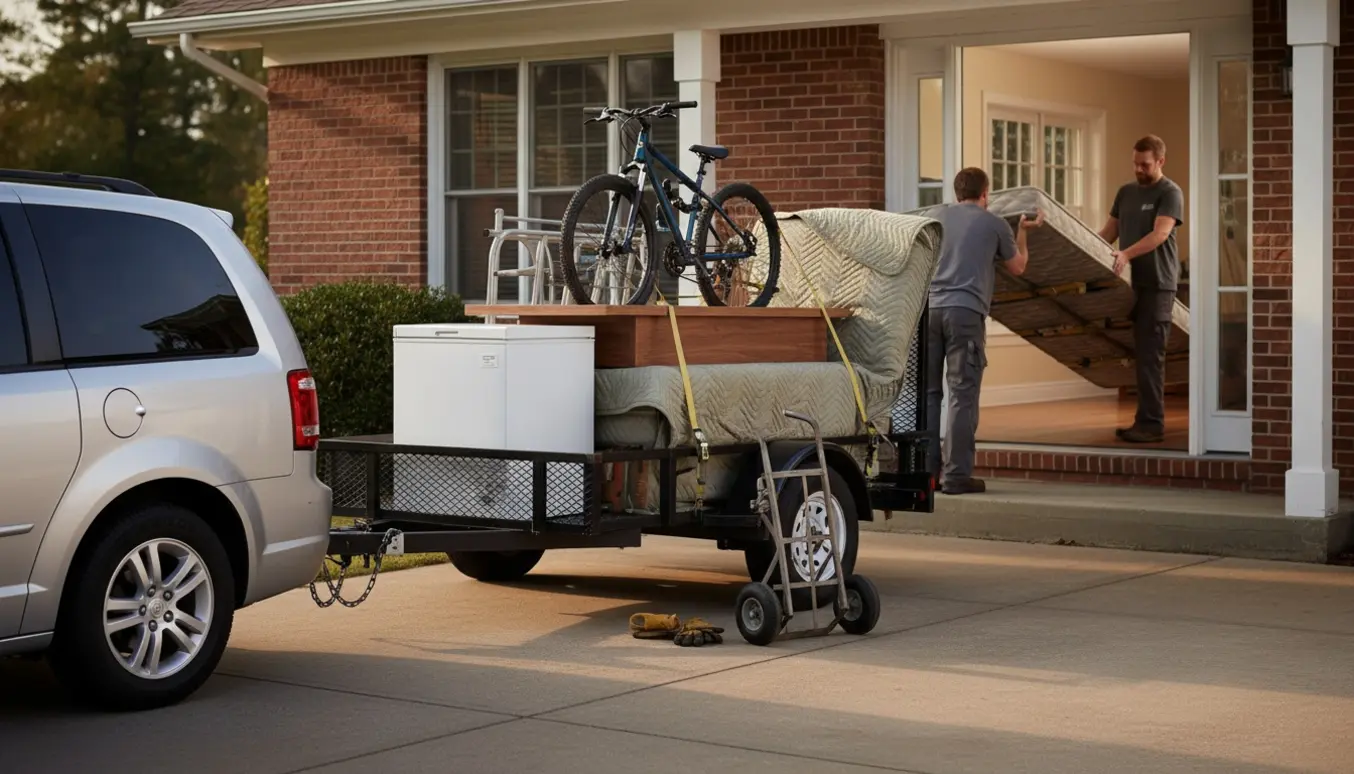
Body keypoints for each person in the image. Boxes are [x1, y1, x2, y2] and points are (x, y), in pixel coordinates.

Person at [925, 167, 1042, 495]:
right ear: (985, 193)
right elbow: (1018, 266)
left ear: (957, 192)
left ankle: (927, 474)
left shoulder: (935, 218)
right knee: (962, 393)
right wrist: (1023, 233)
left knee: (930, 394)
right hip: (965, 314)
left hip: (929, 311)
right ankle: (956, 476)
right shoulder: (994, 223)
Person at [1097, 135, 1184, 444]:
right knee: (1137, 354)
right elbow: (1108, 233)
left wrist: (1126, 254)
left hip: (1157, 284)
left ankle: (1151, 425)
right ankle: (1142, 420)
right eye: (1135, 163)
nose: (1138, 169)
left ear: (1160, 161)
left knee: (1150, 355)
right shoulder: (1125, 192)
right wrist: (1084, 249)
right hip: (1128, 284)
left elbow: (1160, 234)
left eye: (1145, 165)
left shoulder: (1170, 192)